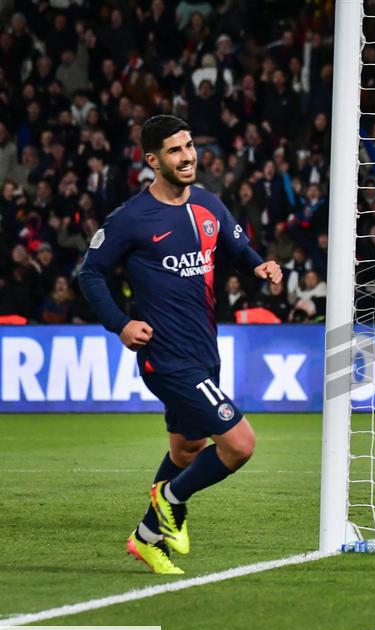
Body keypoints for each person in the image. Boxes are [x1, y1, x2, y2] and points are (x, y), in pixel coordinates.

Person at [78, 115, 283, 575]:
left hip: (205, 351)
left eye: (189, 145)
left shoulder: (208, 204)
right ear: (152, 161)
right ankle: (170, 498)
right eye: (174, 150)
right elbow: (89, 273)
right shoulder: (131, 218)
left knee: (186, 450)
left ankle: (147, 539)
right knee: (240, 444)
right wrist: (120, 324)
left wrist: (259, 267)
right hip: (166, 358)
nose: (187, 156)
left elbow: (238, 246)